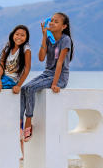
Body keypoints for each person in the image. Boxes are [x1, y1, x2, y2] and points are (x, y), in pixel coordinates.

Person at [20, 12, 73, 141]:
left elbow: (60, 63)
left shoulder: (66, 40)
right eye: (52, 20)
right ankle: (20, 121)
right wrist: (44, 36)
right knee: (24, 88)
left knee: (31, 88)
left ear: (64, 26)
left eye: (56, 21)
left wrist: (55, 84)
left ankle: (28, 121)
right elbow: (41, 57)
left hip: (60, 77)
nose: (52, 23)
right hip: (47, 74)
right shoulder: (49, 39)